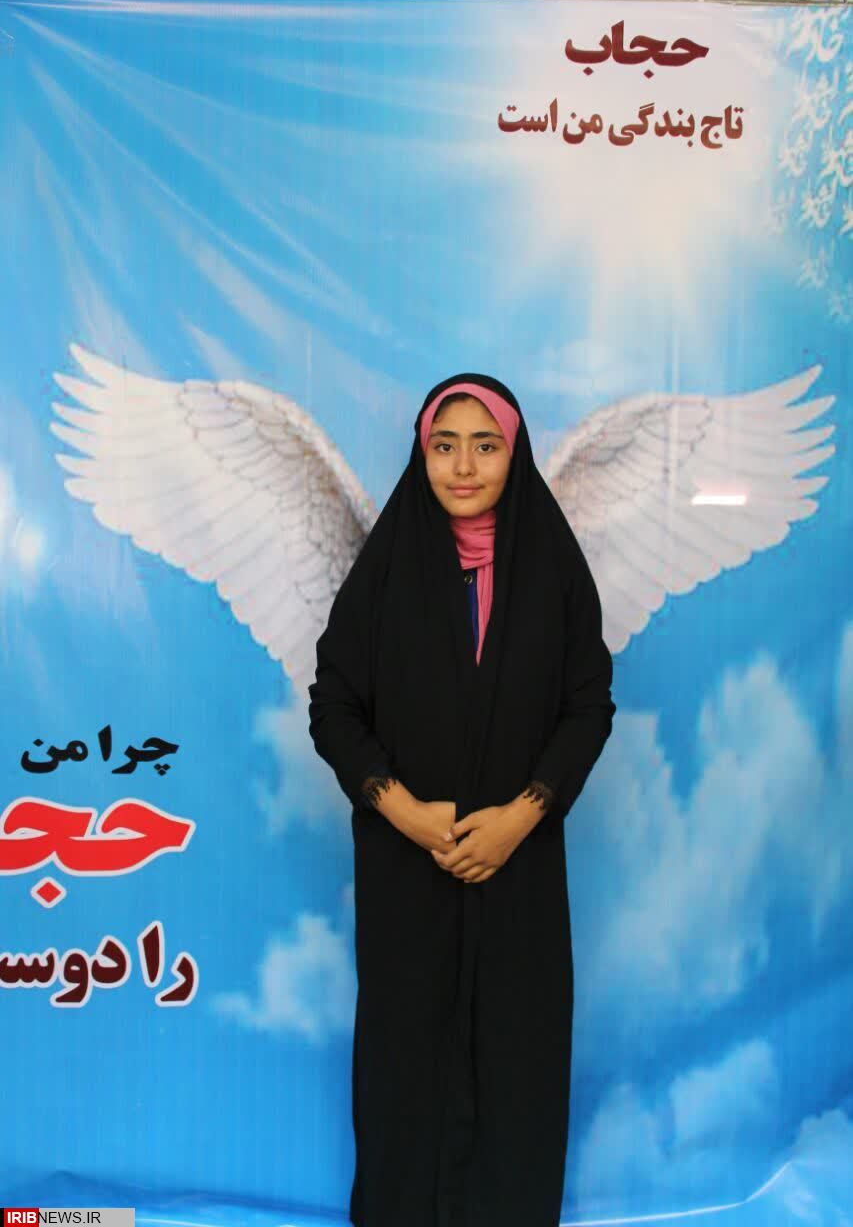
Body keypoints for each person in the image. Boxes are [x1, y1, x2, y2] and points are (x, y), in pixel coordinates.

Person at [307, 373, 616, 1227]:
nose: (464, 467)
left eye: (486, 446)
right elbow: (334, 706)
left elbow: (587, 704)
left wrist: (523, 814)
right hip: (406, 871)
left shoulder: (552, 572)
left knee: (517, 1054)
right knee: (405, 1057)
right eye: (444, 447)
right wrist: (400, 808)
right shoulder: (384, 574)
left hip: (517, 870)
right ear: (422, 455)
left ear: (513, 454)